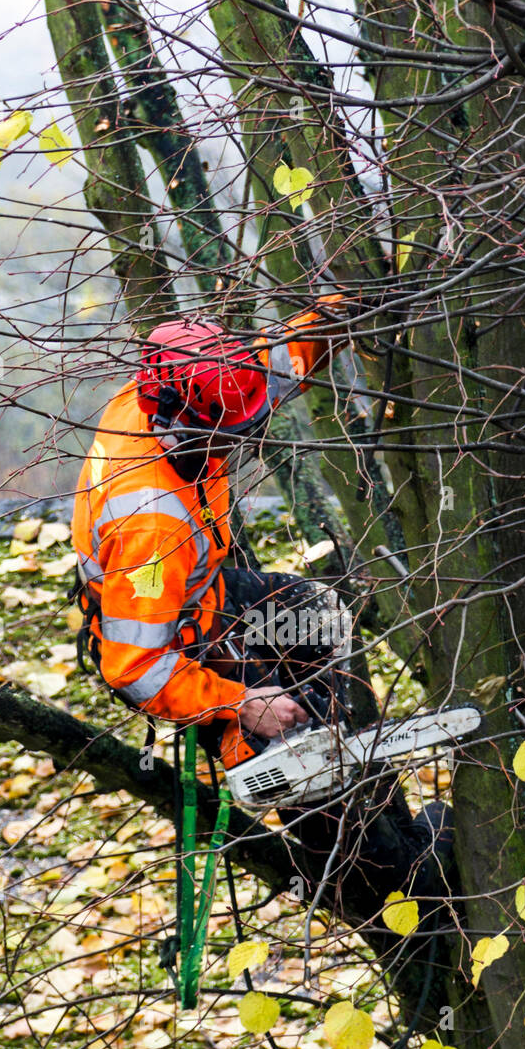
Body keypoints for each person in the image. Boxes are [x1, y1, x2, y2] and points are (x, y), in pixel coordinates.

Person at [71, 297, 352, 768]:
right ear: (178, 423)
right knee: (284, 741)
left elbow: (268, 369)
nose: (239, 440)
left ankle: (336, 738)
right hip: (158, 626)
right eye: (227, 432)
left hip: (198, 589)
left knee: (318, 614)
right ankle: (270, 769)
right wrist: (241, 703)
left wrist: (334, 314)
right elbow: (134, 669)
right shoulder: (154, 524)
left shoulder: (177, 388)